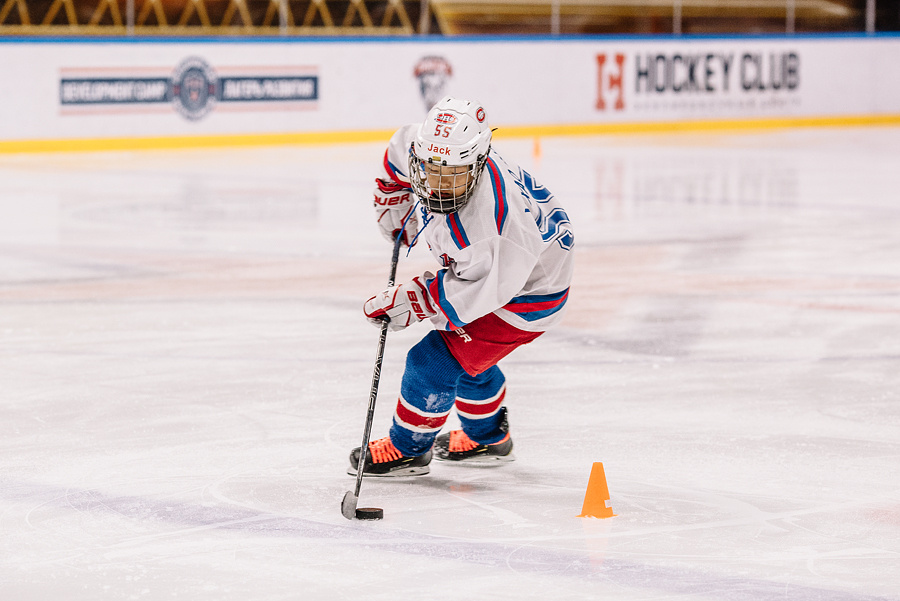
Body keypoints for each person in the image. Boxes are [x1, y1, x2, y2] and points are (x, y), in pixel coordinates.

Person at [348, 96, 574, 477]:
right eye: (429, 169)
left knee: (432, 360)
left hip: (528, 293)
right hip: (506, 269)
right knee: (468, 361)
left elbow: (477, 292)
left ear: (479, 161)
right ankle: (488, 439)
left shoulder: (492, 226)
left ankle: (408, 450)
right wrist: (393, 193)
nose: (436, 183)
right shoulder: (429, 148)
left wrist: (414, 299)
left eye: (452, 173)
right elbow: (399, 149)